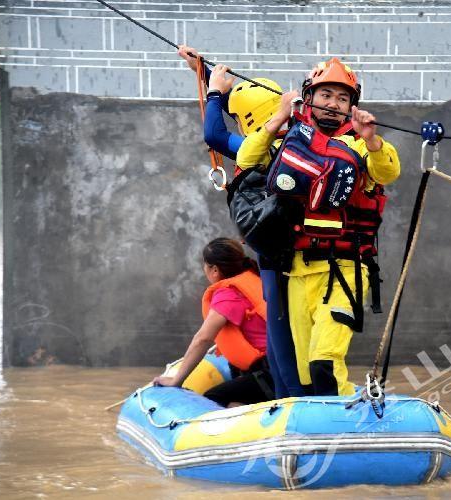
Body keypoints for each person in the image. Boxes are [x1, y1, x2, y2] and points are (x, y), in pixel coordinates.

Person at [236, 57, 401, 396]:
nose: (334, 104)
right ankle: (318, 433)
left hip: (345, 270)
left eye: (342, 98)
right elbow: (246, 159)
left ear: (351, 106)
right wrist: (280, 115)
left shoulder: (359, 143)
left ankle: (344, 430)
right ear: (309, 97)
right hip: (298, 271)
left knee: (324, 360)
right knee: (305, 371)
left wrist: (372, 140)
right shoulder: (291, 140)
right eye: (326, 95)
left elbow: (387, 173)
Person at [175, 45, 305, 399]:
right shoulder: (293, 138)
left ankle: (289, 395)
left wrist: (214, 92)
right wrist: (202, 72)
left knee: (283, 334)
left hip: (279, 255)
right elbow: (248, 111)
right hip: (294, 250)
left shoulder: (263, 149)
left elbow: (216, 135)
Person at [153, 238, 275, 407]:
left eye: (205, 265)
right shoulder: (254, 278)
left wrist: (176, 380)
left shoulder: (228, 294)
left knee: (214, 397)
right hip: (278, 368)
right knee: (233, 391)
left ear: (214, 269)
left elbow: (203, 339)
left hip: (269, 374)